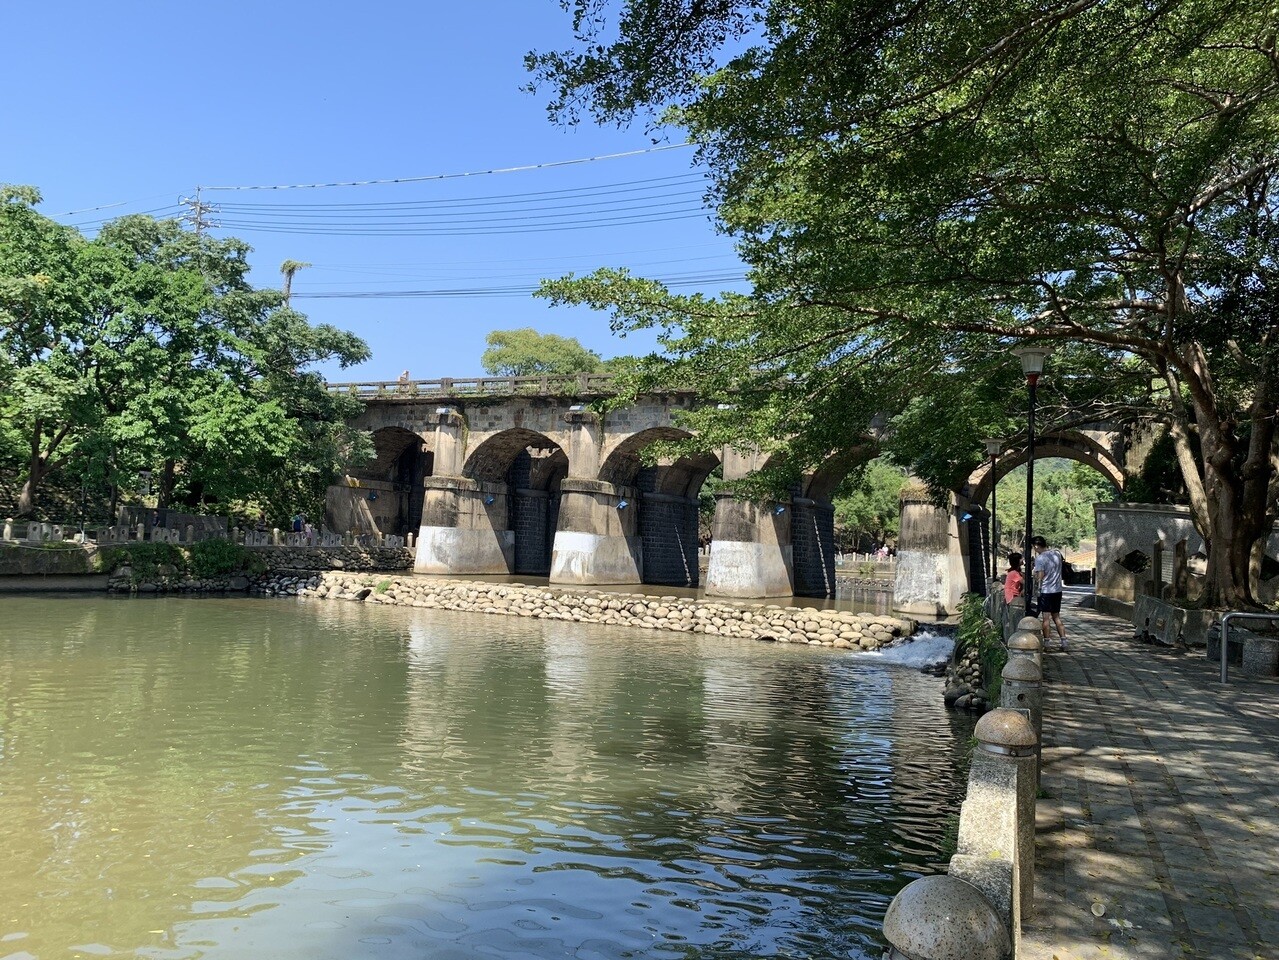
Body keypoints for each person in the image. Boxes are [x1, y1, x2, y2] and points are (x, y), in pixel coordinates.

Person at [1032, 535, 1068, 651]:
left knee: (1046, 618)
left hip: (1046, 591)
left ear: (1036, 546)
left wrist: (1035, 574)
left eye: (1034, 547)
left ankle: (1047, 644)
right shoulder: (1056, 554)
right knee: (1056, 617)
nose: (1034, 549)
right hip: (1057, 590)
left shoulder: (1040, 558)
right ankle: (1064, 642)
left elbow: (1041, 576)